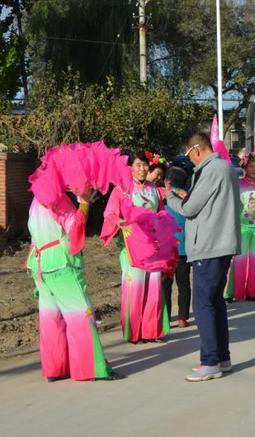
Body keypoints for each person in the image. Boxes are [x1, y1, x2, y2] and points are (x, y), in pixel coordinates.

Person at [166, 133, 241, 382]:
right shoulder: (226, 168)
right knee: (215, 302)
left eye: (189, 155)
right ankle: (222, 357)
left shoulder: (210, 170)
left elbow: (190, 209)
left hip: (209, 245)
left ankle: (210, 361)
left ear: (196, 149)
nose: (191, 161)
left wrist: (170, 197)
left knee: (203, 305)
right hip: (222, 243)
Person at [27, 191, 123, 381]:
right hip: (60, 264)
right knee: (81, 314)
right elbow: (75, 227)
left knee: (51, 318)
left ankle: (56, 369)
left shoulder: (36, 199)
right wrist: (84, 204)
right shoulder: (57, 199)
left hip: (39, 264)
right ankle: (92, 369)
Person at [102, 152, 170, 344]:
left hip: (154, 246)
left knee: (154, 288)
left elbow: (161, 211)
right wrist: (119, 221)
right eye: (138, 165)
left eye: (144, 165)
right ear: (130, 167)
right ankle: (135, 333)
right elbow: (110, 213)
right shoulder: (122, 190)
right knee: (136, 288)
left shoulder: (154, 190)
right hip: (132, 248)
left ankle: (153, 331)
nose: (142, 169)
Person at [224, 155, 255, 302]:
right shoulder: (238, 184)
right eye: (251, 166)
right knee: (239, 260)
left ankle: (254, 292)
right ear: (245, 168)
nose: (254, 169)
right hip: (242, 227)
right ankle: (232, 292)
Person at [162, 166, 192, 328]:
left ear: (167, 182)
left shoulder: (164, 200)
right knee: (184, 283)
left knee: (166, 284)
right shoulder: (187, 199)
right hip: (184, 249)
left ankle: (165, 316)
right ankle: (183, 317)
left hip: (167, 250)